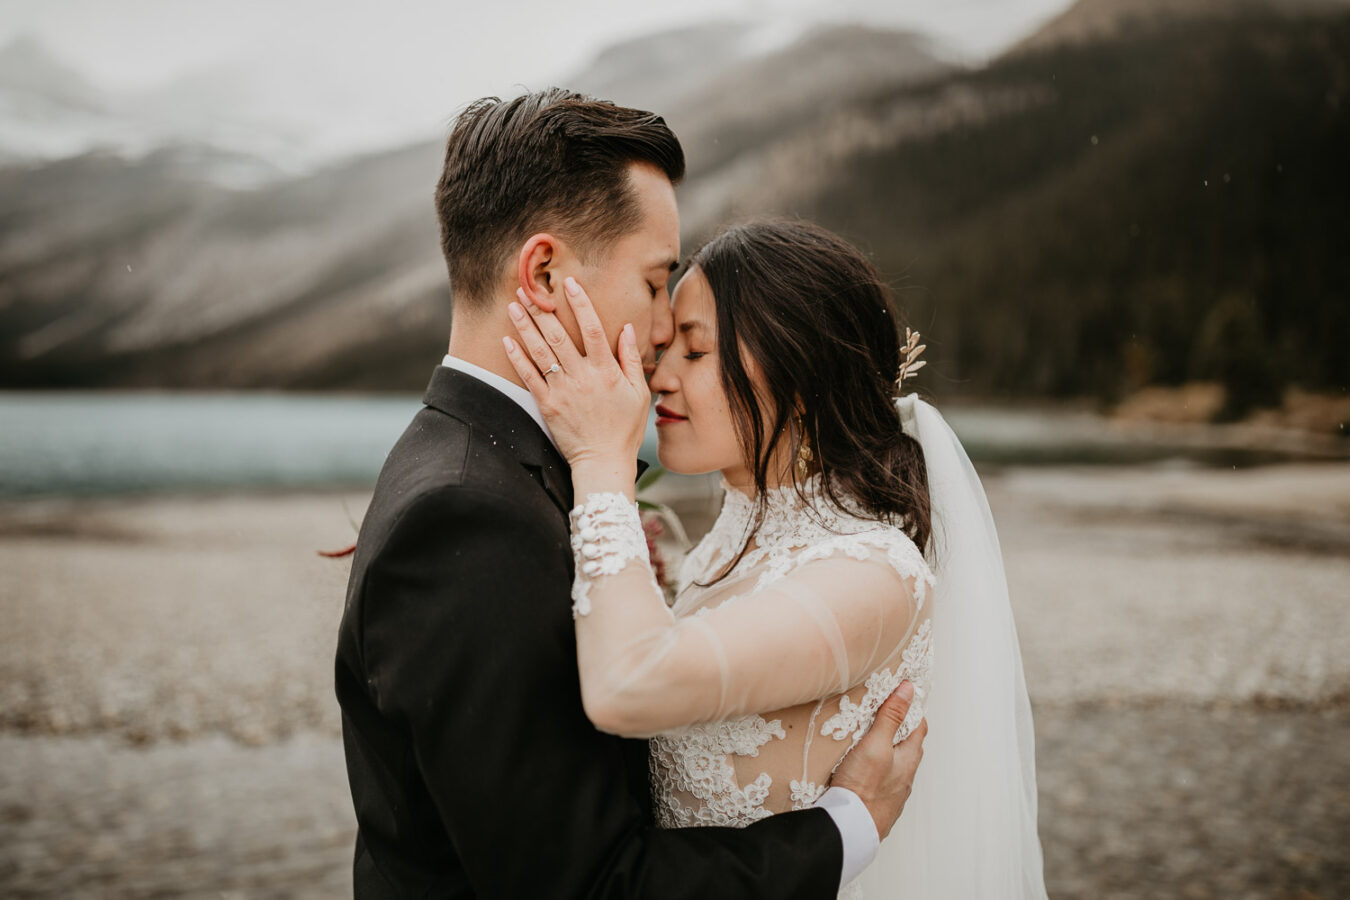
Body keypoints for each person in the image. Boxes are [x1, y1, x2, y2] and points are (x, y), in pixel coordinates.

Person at [334, 90, 927, 899]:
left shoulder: (484, 469)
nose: (658, 341)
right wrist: (846, 826)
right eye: (655, 286)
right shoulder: (469, 512)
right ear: (545, 273)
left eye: (693, 339)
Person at [502, 218, 1048, 897]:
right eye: (666, 349)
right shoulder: (731, 537)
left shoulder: (873, 575)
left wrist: (601, 464)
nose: (657, 377)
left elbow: (628, 686)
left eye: (693, 355)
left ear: (796, 375)